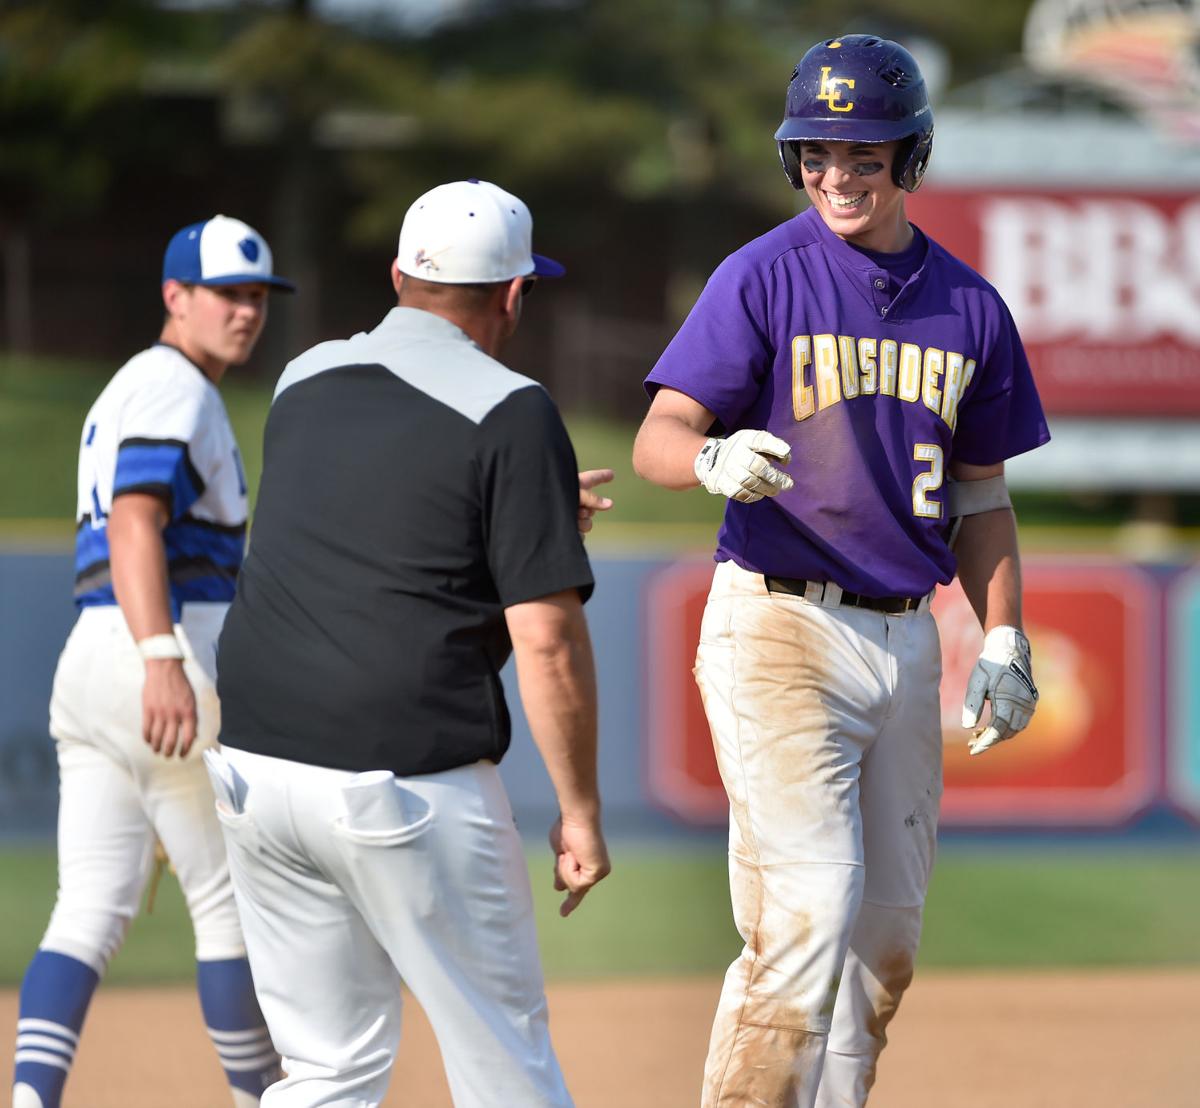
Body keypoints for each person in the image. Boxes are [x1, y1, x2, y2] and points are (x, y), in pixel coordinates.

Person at [632, 34, 1049, 1108]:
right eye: (815, 152)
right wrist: (711, 457)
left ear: (909, 159)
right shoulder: (764, 274)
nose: (835, 175)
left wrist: (1003, 632)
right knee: (809, 912)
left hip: (908, 635)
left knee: (881, 950)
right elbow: (659, 434)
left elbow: (982, 499)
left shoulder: (971, 307)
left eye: (861, 153)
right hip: (779, 620)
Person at [205, 178, 611, 1107]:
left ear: (397, 276)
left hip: (256, 771)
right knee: (506, 1067)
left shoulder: (302, 377)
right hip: (401, 783)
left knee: (326, 1073)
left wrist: (534, 517)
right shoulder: (514, 409)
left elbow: (374, 526)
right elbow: (545, 642)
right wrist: (579, 808)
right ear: (515, 294)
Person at [12, 216, 292, 1108]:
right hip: (160, 654)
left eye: (256, 297)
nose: (245, 312)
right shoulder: (178, 389)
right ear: (175, 298)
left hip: (90, 660)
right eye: (226, 294)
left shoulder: (129, 385)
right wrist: (163, 656)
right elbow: (137, 516)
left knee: (88, 906)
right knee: (226, 908)